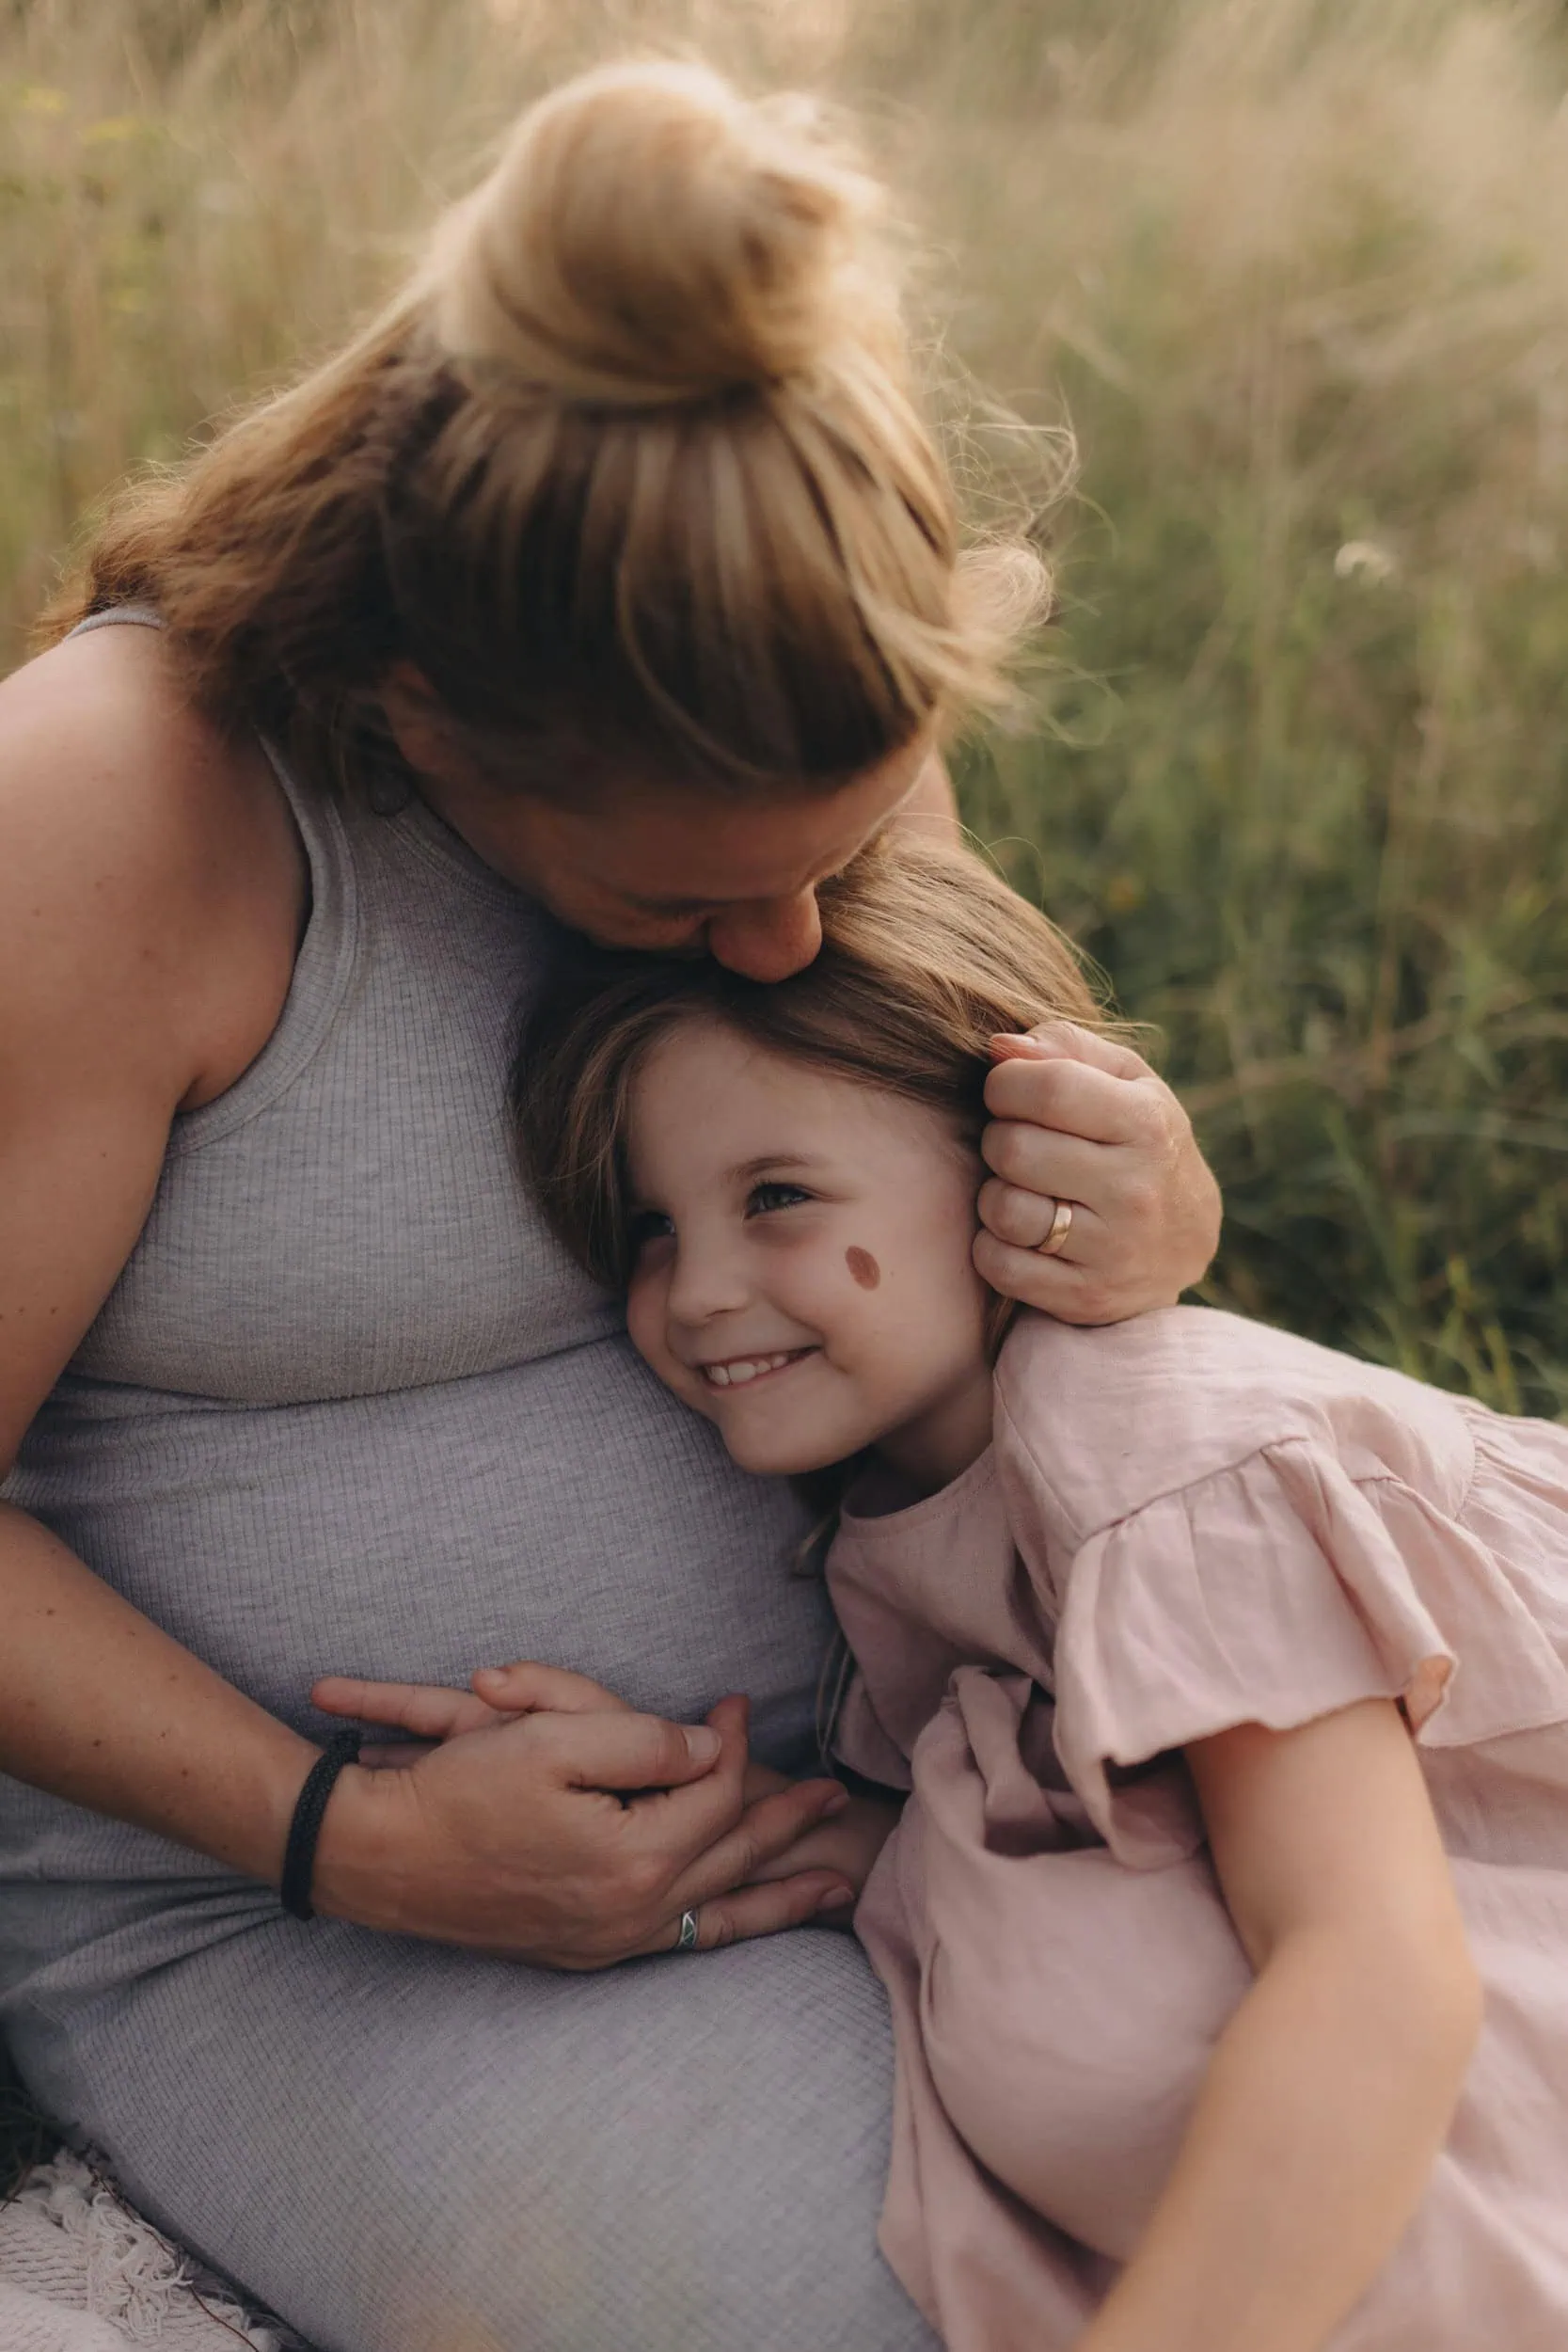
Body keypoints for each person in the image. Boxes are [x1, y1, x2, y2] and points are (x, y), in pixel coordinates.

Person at [0, 58, 1221, 2352]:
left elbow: (957, 1143)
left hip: (943, 1768)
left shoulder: (767, 691)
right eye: (688, 897)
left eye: (830, 864)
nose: (790, 944)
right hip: (301, 1915)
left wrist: (1123, 1204)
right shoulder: (109, 820)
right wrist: (334, 1833)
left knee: (1408, 2153)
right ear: (428, 714)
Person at [391, 829, 1566, 2352]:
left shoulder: (1152, 1457)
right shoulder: (905, 1499)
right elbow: (1080, 1809)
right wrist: (681, 1789)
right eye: (651, 1229)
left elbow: (1376, 1977)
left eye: (780, 1197)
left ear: (1009, 1175)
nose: (697, 1295)